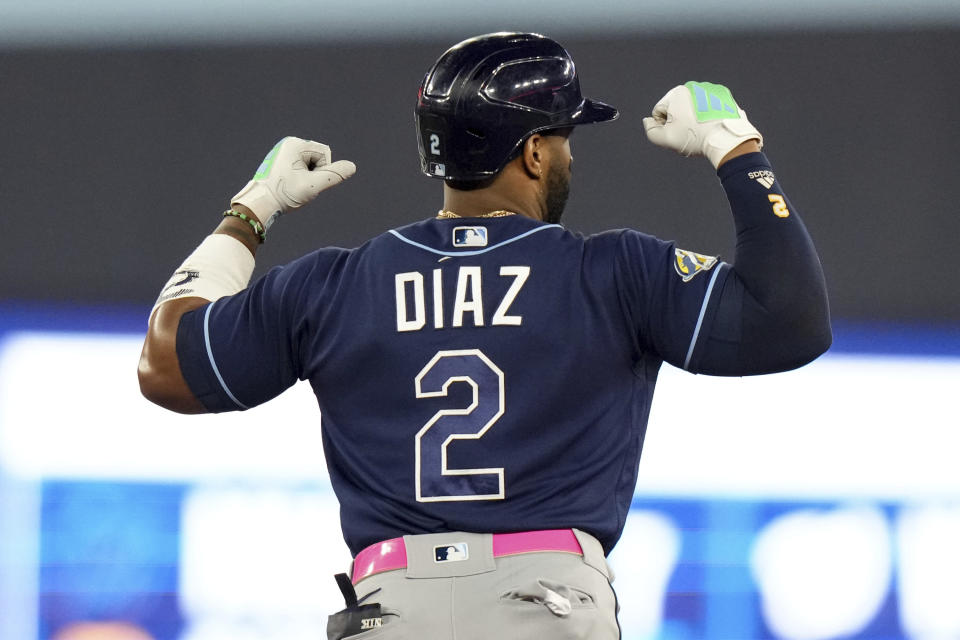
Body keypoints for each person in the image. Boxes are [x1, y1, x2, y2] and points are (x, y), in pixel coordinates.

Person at [138, 32, 830, 640]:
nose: (567, 155)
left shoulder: (336, 284)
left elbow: (165, 363)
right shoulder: (612, 271)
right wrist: (736, 149)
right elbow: (790, 320)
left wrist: (252, 209)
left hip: (389, 609)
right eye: (562, 138)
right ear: (532, 152)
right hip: (547, 601)